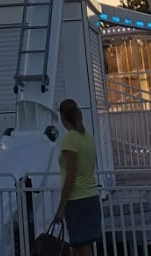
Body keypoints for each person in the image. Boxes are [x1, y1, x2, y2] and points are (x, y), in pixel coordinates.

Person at [52, 97, 102, 256]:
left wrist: (61, 207)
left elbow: (71, 176)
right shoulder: (88, 137)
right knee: (80, 244)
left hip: (77, 199)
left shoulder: (70, 140)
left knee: (81, 245)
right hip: (91, 196)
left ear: (63, 117)